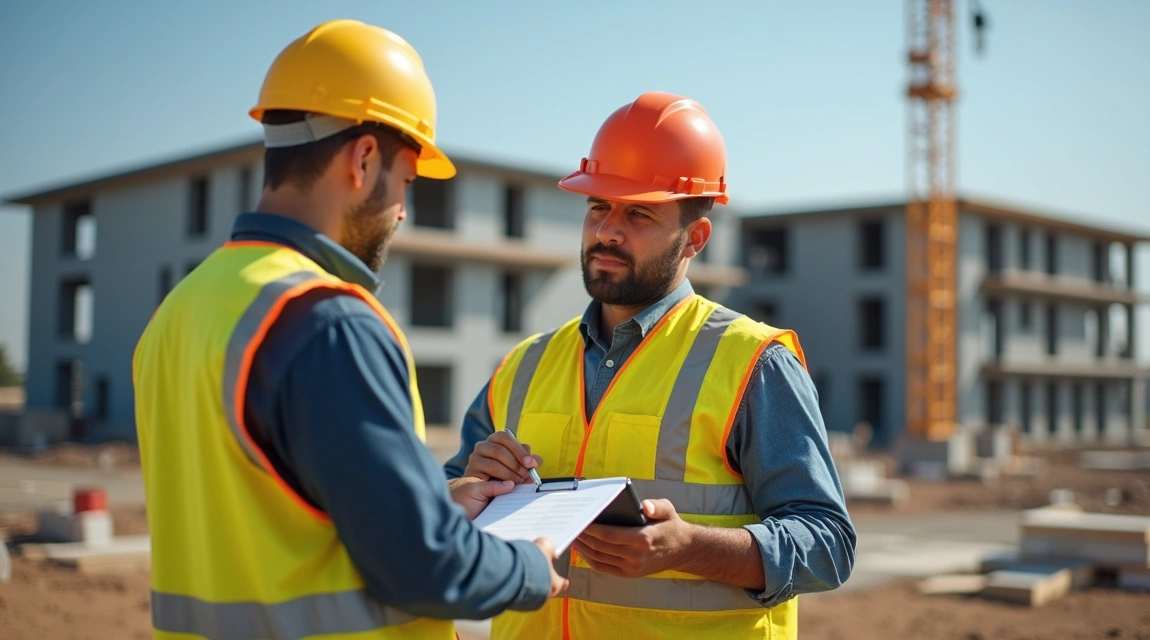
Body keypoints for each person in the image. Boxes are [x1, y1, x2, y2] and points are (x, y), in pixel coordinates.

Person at [133, 20, 565, 639]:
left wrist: (438, 506)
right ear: (363, 158)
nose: (403, 212)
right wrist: (525, 568)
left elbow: (270, 512)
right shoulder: (327, 321)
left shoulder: (180, 310)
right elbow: (423, 567)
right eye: (407, 182)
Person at [443, 91, 857, 639]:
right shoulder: (524, 364)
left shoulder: (753, 362)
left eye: (638, 213)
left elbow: (827, 543)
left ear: (695, 239)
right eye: (597, 207)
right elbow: (440, 509)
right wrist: (466, 489)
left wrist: (691, 547)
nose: (608, 231)